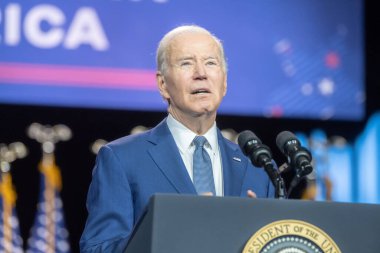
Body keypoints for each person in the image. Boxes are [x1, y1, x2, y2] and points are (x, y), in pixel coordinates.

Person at [80, 25, 275, 252]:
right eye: (186, 63)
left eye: (211, 63)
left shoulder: (257, 167)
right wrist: (168, 232)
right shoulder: (122, 159)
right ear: (163, 84)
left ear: (224, 82)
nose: (201, 73)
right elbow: (98, 249)